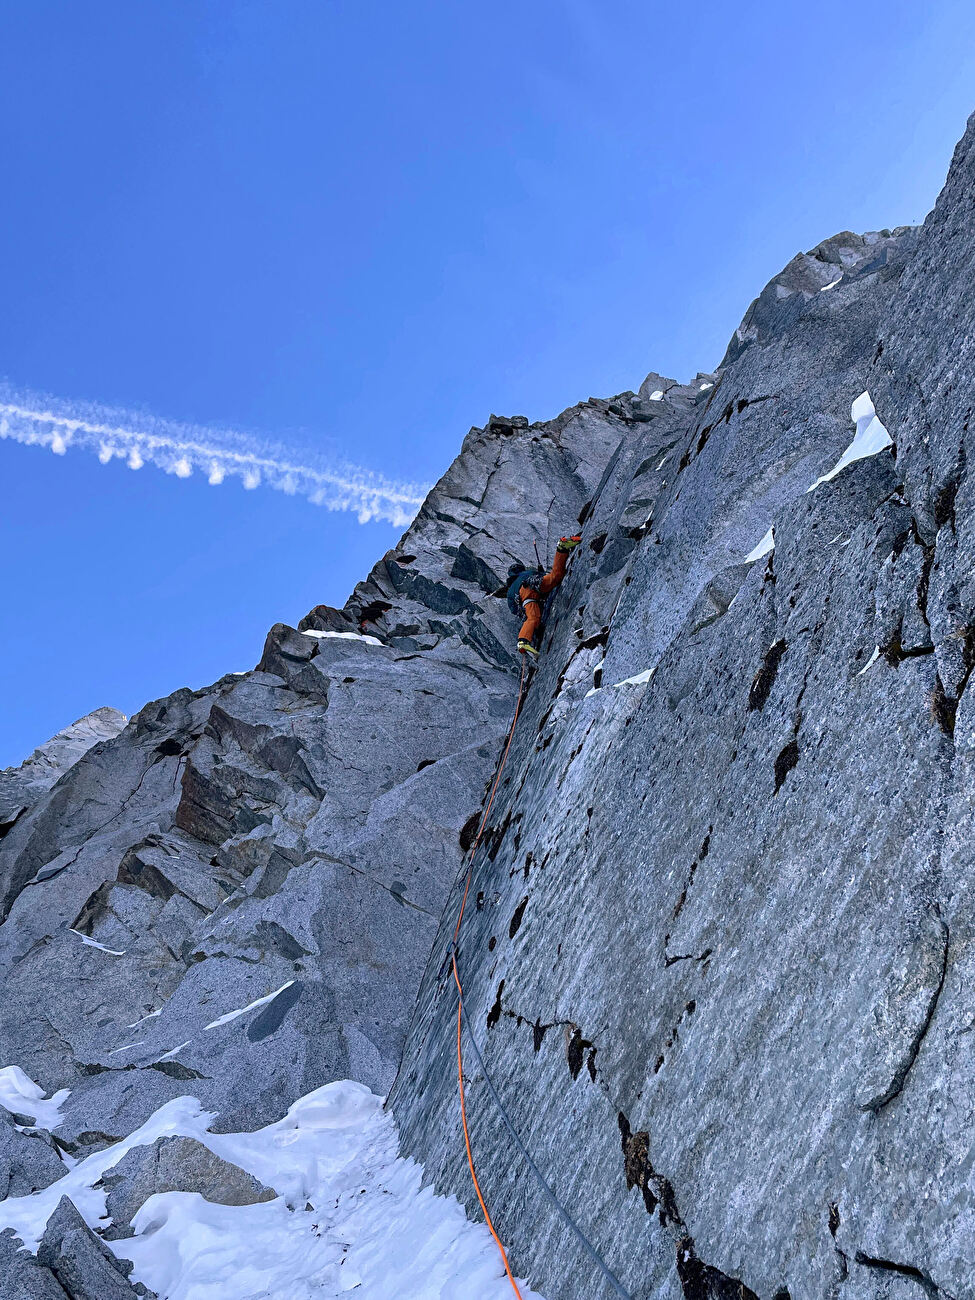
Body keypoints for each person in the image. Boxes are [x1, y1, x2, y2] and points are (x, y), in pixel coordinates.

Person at [506, 536, 582, 657]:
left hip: (526, 597)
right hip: (533, 583)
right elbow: (540, 577)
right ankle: (561, 549)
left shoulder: (510, 591)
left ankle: (523, 641)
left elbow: (513, 609)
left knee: (532, 618)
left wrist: (521, 611)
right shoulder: (526, 573)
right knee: (555, 576)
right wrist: (540, 572)